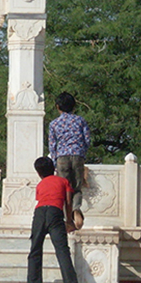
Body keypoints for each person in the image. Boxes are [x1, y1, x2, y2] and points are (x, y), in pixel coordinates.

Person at [26, 157, 84, 283]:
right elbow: (68, 202)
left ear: (39, 173)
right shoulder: (63, 181)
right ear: (54, 168)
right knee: (62, 250)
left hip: (39, 213)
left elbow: (41, 200)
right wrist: (69, 221)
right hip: (55, 213)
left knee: (35, 249)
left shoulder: (40, 185)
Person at [48, 92, 90, 229]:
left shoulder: (54, 123)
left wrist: (55, 162)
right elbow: (87, 140)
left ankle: (68, 220)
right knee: (76, 188)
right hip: (77, 156)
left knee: (64, 189)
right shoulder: (80, 120)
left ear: (58, 107)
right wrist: (81, 153)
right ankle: (76, 209)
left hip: (62, 157)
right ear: (74, 106)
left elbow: (52, 145)